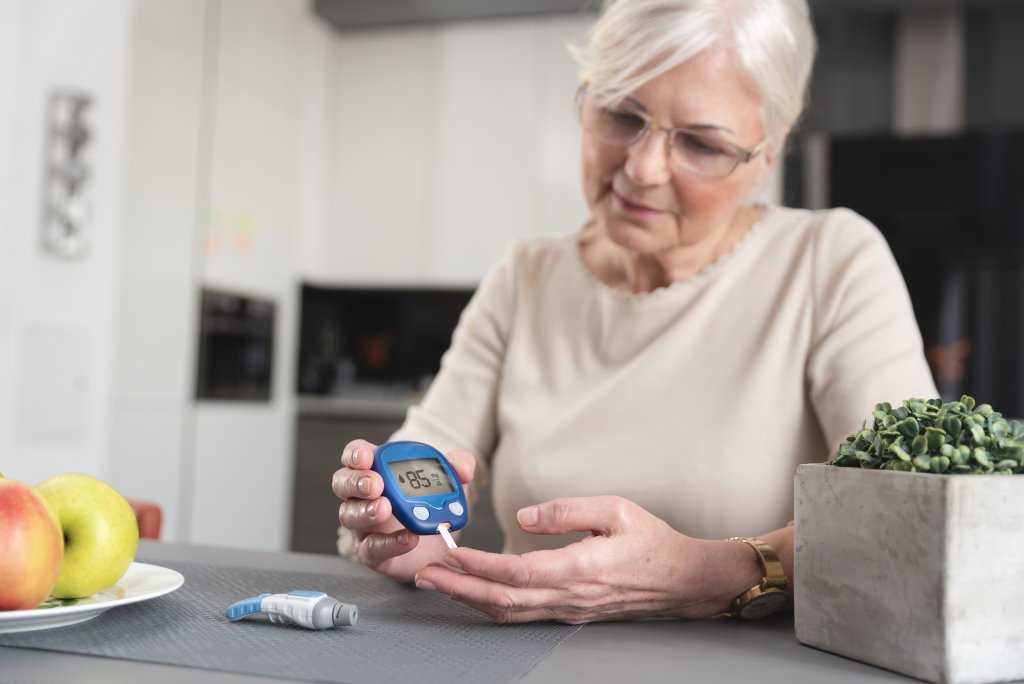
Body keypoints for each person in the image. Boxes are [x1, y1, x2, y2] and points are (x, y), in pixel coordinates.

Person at [331, 0, 937, 624]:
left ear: (768, 153)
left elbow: (906, 515)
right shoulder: (525, 278)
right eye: (622, 115)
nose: (642, 170)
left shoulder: (831, 262)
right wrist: (386, 526)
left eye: (701, 143)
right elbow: (424, 455)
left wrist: (710, 574)